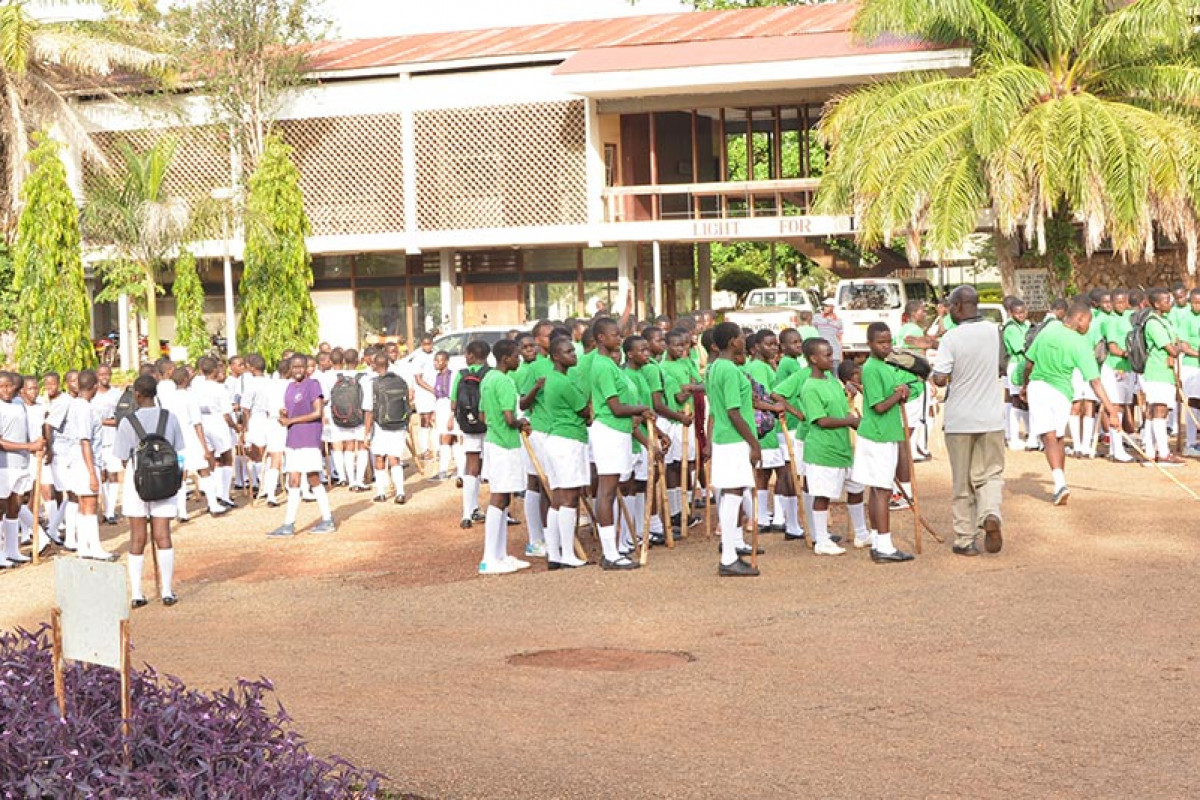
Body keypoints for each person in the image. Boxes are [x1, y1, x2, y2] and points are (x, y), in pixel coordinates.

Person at [931, 286, 1005, 554]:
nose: (949, 310)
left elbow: (940, 377)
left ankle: (965, 539)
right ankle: (991, 514)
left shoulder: (951, 338)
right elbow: (1001, 366)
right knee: (990, 474)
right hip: (991, 417)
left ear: (959, 306)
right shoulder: (994, 331)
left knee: (962, 482)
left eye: (951, 305)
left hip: (960, 419)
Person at [115, 375, 187, 608]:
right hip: (165, 481)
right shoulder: (169, 417)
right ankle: (166, 591)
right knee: (163, 534)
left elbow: (122, 456)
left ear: (136, 394)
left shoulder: (128, 421)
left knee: (137, 537)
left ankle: (136, 593)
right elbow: (179, 452)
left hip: (137, 482)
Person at [589, 316, 652, 571]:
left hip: (619, 431)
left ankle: (613, 548)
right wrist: (642, 408)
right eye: (614, 334)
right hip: (609, 431)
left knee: (613, 488)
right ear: (601, 338)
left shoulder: (611, 365)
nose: (619, 337)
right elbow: (614, 407)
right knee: (607, 490)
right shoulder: (602, 365)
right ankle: (610, 552)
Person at [851, 324, 915, 563]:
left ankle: (879, 541)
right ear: (870, 344)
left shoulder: (883, 366)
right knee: (882, 490)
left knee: (879, 490)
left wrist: (902, 392)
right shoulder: (871, 368)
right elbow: (878, 406)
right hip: (878, 435)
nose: (886, 346)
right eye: (881, 342)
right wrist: (899, 395)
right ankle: (885, 545)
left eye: (888, 341)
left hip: (885, 433)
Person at [801, 338, 869, 556]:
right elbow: (820, 420)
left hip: (844, 448)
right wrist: (849, 421)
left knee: (857, 488)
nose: (832, 359)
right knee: (822, 495)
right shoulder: (810, 387)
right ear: (813, 359)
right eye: (827, 355)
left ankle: (861, 532)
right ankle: (821, 540)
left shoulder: (831, 379)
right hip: (823, 450)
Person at [706, 321, 762, 577]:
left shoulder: (715, 367)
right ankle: (728, 556)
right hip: (734, 438)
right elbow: (733, 411)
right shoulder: (728, 370)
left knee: (732, 494)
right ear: (732, 342)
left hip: (724, 437)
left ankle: (731, 550)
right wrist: (753, 442)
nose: (743, 339)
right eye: (740, 336)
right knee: (733, 494)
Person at [267, 355, 335, 536]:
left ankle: (327, 519)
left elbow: (317, 412)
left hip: (309, 437)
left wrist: (291, 419)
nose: (297, 370)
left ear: (306, 368)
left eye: (301, 367)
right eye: (294, 367)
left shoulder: (313, 385)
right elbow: (292, 408)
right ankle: (289, 524)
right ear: (290, 368)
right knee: (293, 480)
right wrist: (283, 413)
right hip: (293, 438)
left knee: (313, 478)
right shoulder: (289, 387)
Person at [478, 339, 531, 575]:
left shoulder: (488, 379)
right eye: (516, 355)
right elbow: (510, 418)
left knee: (503, 498)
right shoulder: (506, 381)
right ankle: (489, 557)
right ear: (506, 358)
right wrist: (522, 423)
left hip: (493, 440)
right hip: (505, 444)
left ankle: (500, 554)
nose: (519, 359)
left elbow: (482, 415)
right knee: (499, 498)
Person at [541, 336, 591, 569]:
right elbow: (583, 410)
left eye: (573, 350)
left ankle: (555, 554)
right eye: (568, 352)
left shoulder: (554, 378)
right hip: (568, 439)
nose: (574, 354)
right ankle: (568, 553)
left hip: (556, 439)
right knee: (569, 497)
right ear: (556, 357)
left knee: (558, 497)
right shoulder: (562, 382)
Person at [1139, 287, 1185, 466]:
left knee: (1157, 410)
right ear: (1156, 304)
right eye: (1166, 301)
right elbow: (1172, 348)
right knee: (1159, 409)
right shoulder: (1153, 323)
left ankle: (1151, 452)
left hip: (1165, 374)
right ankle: (1163, 453)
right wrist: (1179, 348)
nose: (1170, 303)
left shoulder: (1164, 320)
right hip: (1157, 372)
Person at [0, 372, 42, 567]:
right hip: (4, 465)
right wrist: (27, 447)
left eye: (9, 386)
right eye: (2, 387)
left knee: (15, 505)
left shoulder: (18, 404)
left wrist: (36, 445)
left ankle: (11, 550)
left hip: (22, 463)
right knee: (1, 507)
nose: (6, 390)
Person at [363, 353, 413, 505]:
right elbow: (408, 402)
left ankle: (381, 492)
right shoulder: (400, 380)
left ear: (374, 365)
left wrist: (366, 433)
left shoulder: (372, 383)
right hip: (399, 424)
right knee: (395, 459)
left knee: (380, 458)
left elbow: (369, 411)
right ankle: (400, 492)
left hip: (381, 426)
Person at [1101, 290, 1136, 462]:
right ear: (1113, 303)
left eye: (1124, 302)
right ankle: (1116, 448)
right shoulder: (1110, 321)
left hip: (1127, 368)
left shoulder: (1128, 318)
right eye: (1119, 302)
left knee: (1122, 405)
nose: (1122, 305)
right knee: (1115, 406)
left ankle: (1118, 445)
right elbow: (1113, 347)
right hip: (1115, 367)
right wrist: (1128, 354)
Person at [1000, 298, 1032, 451]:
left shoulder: (1026, 325)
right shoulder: (1011, 328)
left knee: (1025, 401)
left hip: (1024, 363)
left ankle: (1029, 432)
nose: (1021, 315)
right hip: (1015, 364)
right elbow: (1021, 347)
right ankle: (1013, 436)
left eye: (1023, 312)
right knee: (1016, 399)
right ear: (1011, 314)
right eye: (1017, 313)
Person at [814, 299, 844, 368]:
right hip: (821, 353)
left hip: (835, 354)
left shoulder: (838, 321)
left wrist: (841, 356)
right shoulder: (817, 318)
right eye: (824, 306)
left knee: (835, 376)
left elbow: (840, 339)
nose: (825, 307)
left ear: (832, 307)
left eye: (827, 306)